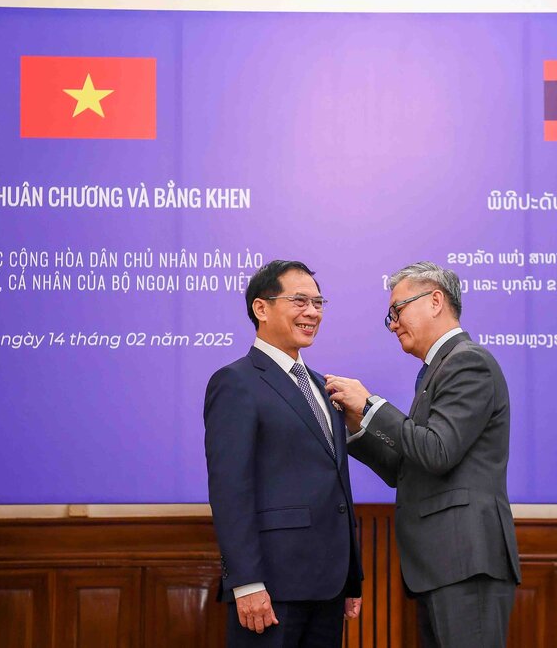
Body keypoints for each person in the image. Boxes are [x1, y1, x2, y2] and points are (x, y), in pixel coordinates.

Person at [325, 261, 520, 648]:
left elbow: (437, 452)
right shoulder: (436, 372)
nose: (393, 323)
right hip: (441, 565)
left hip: (466, 562)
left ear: (435, 301)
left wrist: (371, 405)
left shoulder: (468, 362)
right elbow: (406, 467)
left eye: (397, 310)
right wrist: (356, 423)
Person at [204, 259, 363, 647]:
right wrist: (246, 582)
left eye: (318, 302)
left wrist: (351, 577)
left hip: (329, 587)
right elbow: (230, 491)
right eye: (300, 300)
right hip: (272, 589)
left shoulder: (322, 386)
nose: (312, 312)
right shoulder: (236, 382)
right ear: (261, 308)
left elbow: (336, 484)